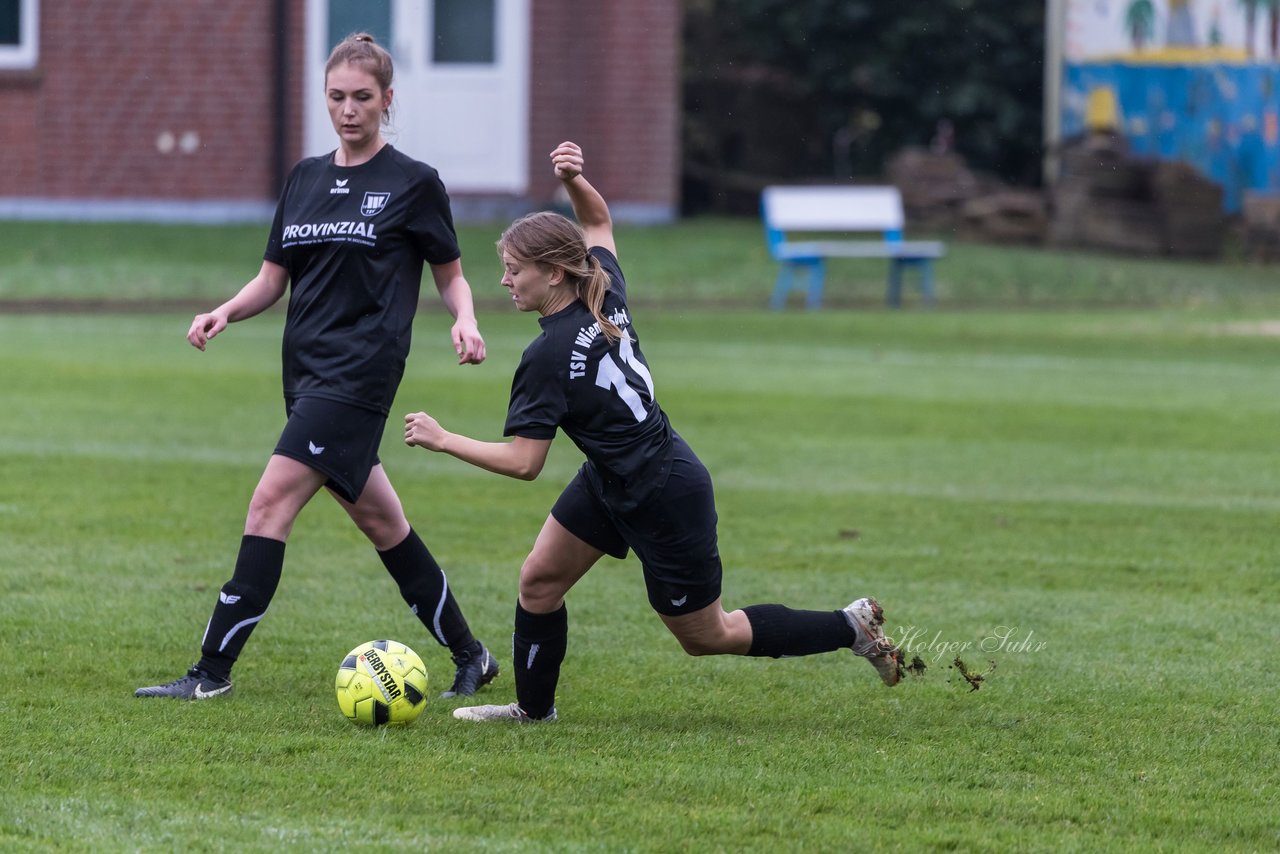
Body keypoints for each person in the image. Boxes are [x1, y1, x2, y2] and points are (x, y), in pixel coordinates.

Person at [402, 141, 903, 723]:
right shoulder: (602, 288)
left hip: (664, 492)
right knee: (539, 580)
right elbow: (596, 220)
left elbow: (524, 462)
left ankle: (851, 627)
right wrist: (574, 179)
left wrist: (443, 439)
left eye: (514, 271)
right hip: (613, 476)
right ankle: (533, 713)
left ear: (553, 272)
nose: (505, 282)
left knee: (706, 634)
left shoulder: (547, 355)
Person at [136, 33, 499, 701]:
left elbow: (451, 275)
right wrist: (225, 311)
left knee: (269, 503)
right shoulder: (304, 178)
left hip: (359, 374)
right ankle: (473, 656)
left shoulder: (414, 183)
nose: (348, 110)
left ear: (388, 100)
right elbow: (273, 278)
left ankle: (209, 673)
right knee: (382, 522)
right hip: (304, 375)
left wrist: (465, 318)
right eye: (337, 97)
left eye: (363, 97)